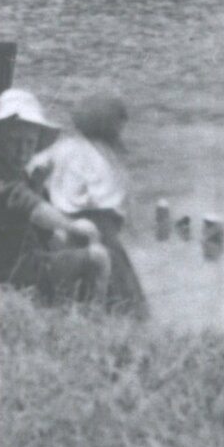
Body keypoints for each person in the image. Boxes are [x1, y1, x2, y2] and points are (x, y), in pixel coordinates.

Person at [0, 88, 110, 304]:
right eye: (14, 141)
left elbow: (38, 227)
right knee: (98, 258)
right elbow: (32, 208)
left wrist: (37, 186)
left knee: (69, 244)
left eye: (29, 143)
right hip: (2, 272)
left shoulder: (2, 171)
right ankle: (93, 315)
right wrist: (72, 225)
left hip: (0, 264)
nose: (22, 151)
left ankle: (70, 302)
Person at [31, 92, 148, 317]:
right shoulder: (108, 157)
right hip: (99, 228)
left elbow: (36, 170)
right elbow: (117, 204)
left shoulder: (63, 146)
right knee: (120, 293)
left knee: (78, 282)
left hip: (66, 225)